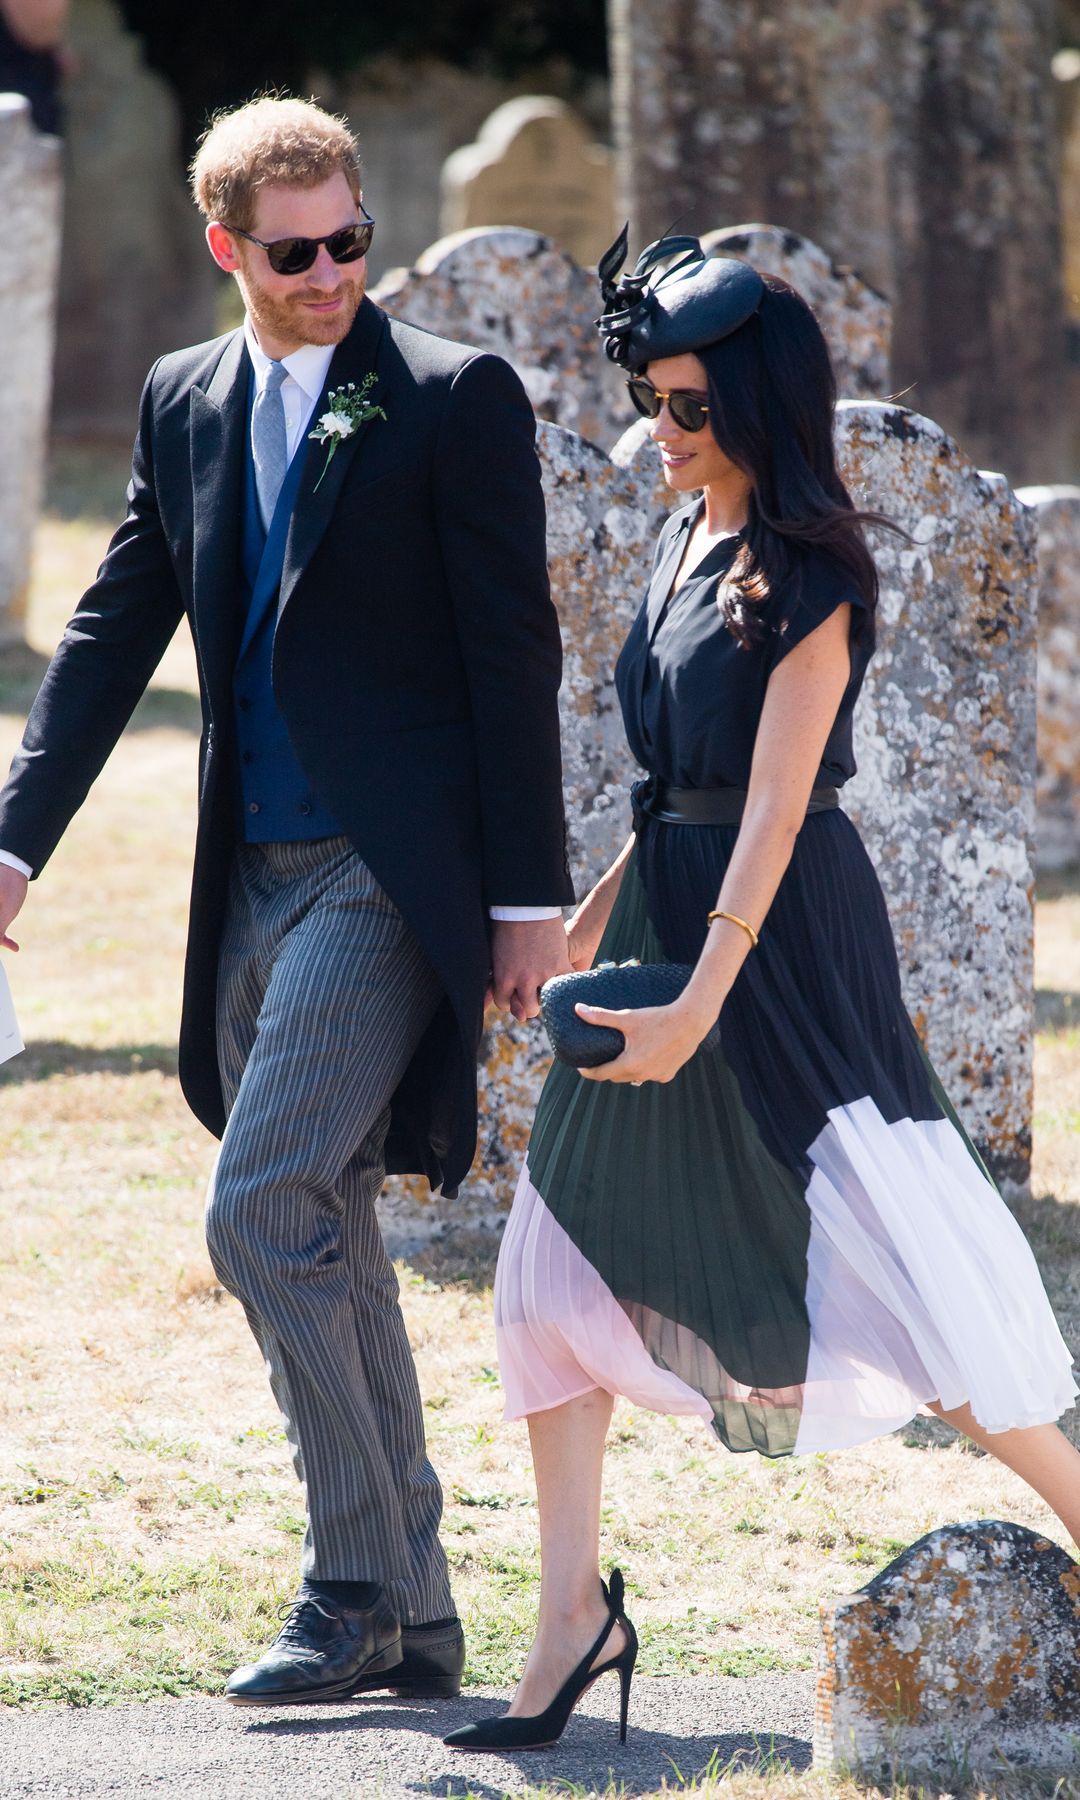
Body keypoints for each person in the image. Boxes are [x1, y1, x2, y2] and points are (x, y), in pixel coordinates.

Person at [444, 230, 1080, 1754]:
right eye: (650, 402)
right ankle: (569, 1627)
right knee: (541, 1289)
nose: (654, 431)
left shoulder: (814, 573)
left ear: (749, 407)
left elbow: (779, 808)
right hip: (673, 914)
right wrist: (579, 930)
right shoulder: (682, 537)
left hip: (779, 947)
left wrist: (698, 1002)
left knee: (916, 1291)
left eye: (681, 407)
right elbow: (672, 784)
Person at [0, 95, 574, 1707]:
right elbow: (116, 626)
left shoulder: (454, 400)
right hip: (243, 875)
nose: (332, 275)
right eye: (297, 252)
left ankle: (345, 1587)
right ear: (227, 248)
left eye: (351, 243)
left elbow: (508, 655)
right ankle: (420, 1604)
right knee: (323, 1220)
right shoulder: (185, 396)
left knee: (257, 1209)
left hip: (393, 879)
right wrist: (16, 839)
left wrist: (525, 899)